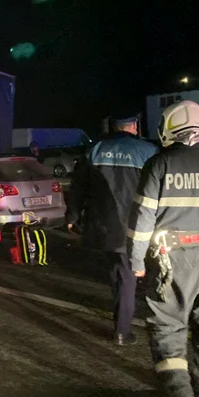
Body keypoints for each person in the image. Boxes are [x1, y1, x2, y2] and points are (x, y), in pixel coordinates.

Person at [129, 100, 199, 397]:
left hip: (173, 262)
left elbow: (141, 221)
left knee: (168, 330)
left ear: (168, 129)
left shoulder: (159, 165)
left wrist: (136, 262)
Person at [65, 111, 158, 346]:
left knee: (118, 272)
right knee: (128, 276)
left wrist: (73, 216)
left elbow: (78, 186)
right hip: (133, 225)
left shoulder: (95, 150)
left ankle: (121, 319)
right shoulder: (148, 151)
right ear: (134, 126)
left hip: (102, 226)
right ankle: (122, 330)